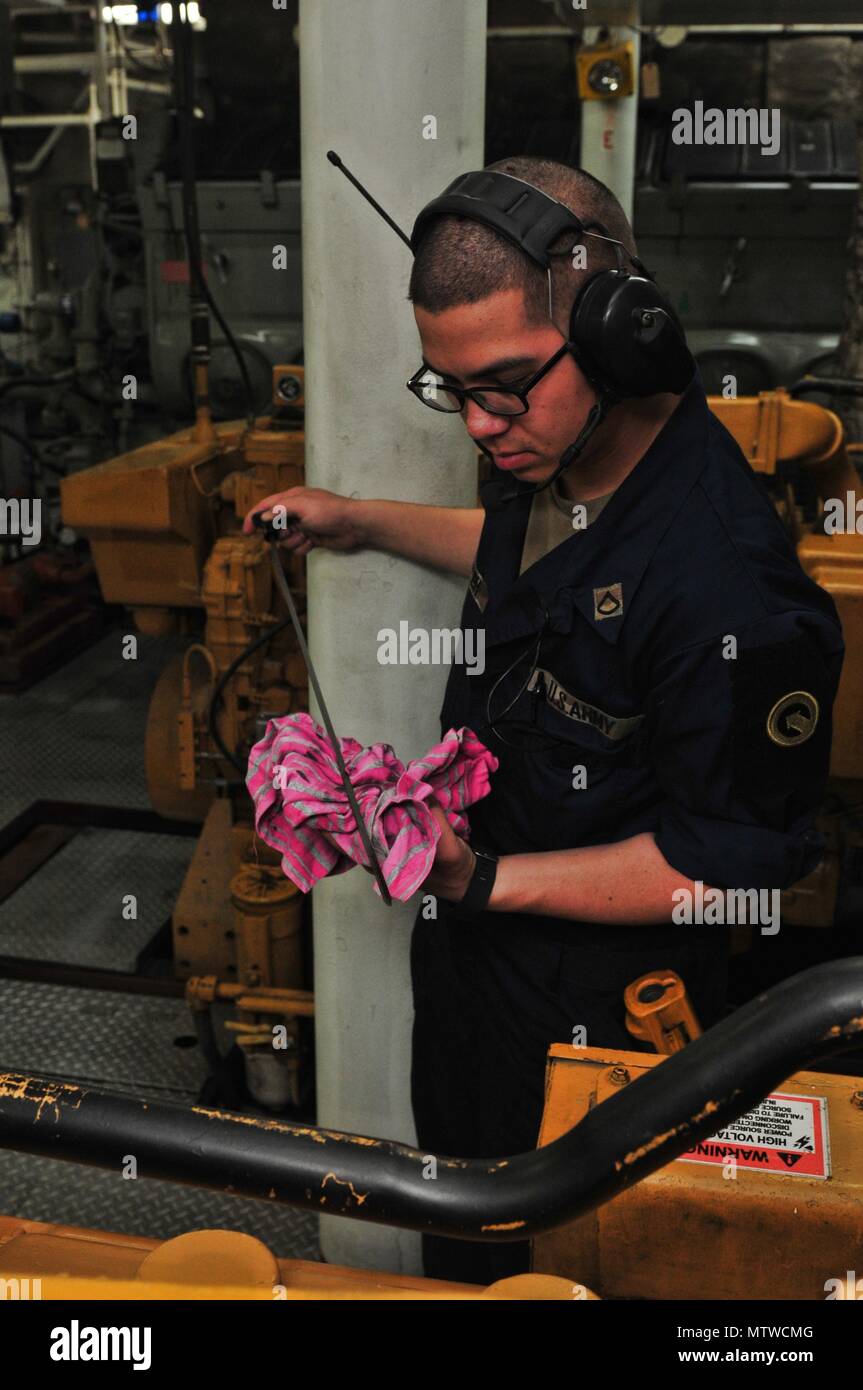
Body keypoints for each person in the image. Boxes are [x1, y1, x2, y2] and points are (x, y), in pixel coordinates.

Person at [244, 156, 844, 1284]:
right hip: (478, 975)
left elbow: (727, 866)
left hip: (603, 1022)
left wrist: (478, 879)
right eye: (451, 388)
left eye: (505, 384)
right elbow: (540, 569)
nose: (478, 424)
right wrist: (359, 521)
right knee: (462, 1233)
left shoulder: (734, 594)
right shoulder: (552, 445)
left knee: (565, 1268)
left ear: (625, 338)